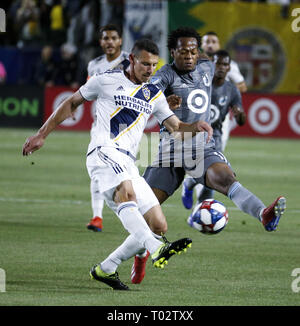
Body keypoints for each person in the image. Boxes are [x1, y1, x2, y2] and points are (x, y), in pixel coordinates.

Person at [22, 38, 213, 290]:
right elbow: (71, 102)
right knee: (127, 194)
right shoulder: (105, 79)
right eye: (145, 64)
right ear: (132, 59)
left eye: (154, 65)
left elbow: (175, 127)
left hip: (128, 161)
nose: (150, 70)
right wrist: (41, 134)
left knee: (158, 224)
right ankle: (156, 249)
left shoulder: (153, 93)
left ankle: (107, 268)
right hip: (104, 151)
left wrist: (195, 127)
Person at [143, 26, 285, 246]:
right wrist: (160, 102)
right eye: (183, 52)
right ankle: (141, 256)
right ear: (172, 52)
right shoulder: (165, 75)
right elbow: (147, 96)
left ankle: (263, 214)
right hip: (169, 149)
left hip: (201, 147)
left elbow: (223, 74)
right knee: (145, 209)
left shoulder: (207, 66)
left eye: (192, 51)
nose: (188, 56)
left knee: (227, 180)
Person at [182, 49, 246, 209]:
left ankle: (197, 202)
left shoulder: (232, 90)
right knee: (201, 171)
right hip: (194, 132)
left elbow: (242, 121)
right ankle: (191, 188)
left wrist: (239, 114)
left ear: (229, 68)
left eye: (225, 64)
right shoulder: (201, 82)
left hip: (214, 137)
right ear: (212, 64)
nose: (221, 67)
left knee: (211, 177)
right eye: (218, 63)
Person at [86, 24, 129, 233]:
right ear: (100, 41)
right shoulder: (94, 65)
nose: (109, 42)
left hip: (125, 126)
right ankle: (97, 217)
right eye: (105, 38)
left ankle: (131, 210)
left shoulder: (132, 61)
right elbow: (88, 91)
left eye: (113, 38)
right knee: (97, 171)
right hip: (101, 125)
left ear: (120, 40)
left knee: (126, 169)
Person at [201, 31, 247, 152]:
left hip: (219, 115)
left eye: (213, 42)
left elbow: (242, 86)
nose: (210, 45)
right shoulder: (195, 63)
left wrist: (225, 89)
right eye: (207, 42)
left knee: (216, 151)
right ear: (202, 44)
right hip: (196, 119)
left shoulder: (230, 65)